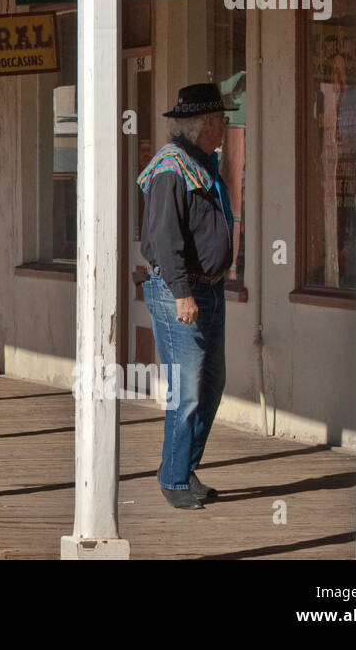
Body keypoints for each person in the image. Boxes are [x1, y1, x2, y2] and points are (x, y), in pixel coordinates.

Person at [137, 83, 235, 511]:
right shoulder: (170, 168)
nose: (225, 127)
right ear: (202, 125)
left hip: (210, 292)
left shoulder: (203, 163)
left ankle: (185, 469)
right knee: (187, 390)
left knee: (210, 386)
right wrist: (181, 294)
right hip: (182, 293)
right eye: (220, 120)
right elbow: (163, 237)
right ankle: (173, 478)